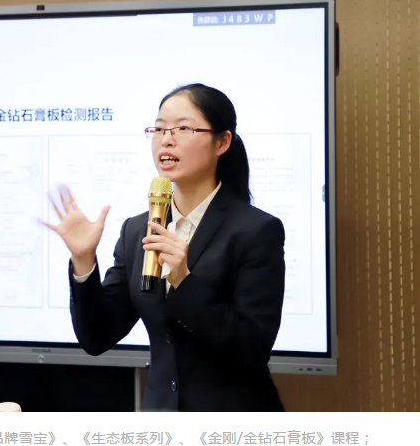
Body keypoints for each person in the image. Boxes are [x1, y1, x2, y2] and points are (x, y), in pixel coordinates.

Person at [42, 83, 286, 412]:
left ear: (222, 142)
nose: (166, 139)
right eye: (159, 129)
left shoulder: (256, 230)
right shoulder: (136, 231)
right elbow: (97, 337)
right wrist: (84, 262)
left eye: (183, 128)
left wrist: (184, 281)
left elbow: (252, 350)